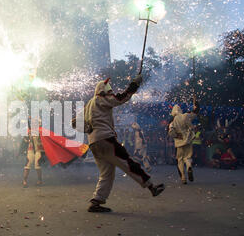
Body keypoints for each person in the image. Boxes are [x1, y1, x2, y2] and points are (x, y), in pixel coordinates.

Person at [84, 76, 165, 212]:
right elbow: (120, 98)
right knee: (128, 163)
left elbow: (75, 122)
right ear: (103, 90)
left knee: (106, 173)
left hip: (94, 143)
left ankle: (96, 201)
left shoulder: (89, 105)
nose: (111, 93)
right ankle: (151, 186)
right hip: (106, 140)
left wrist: (89, 128)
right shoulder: (101, 98)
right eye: (109, 91)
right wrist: (134, 85)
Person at [168, 98, 200, 184]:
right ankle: (189, 166)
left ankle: (183, 177)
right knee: (188, 157)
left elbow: (170, 132)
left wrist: (177, 135)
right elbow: (195, 112)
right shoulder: (186, 115)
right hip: (188, 140)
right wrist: (195, 103)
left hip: (179, 143)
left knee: (180, 159)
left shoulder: (173, 122)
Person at [22, 121, 44, 187]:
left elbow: (43, 141)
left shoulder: (40, 131)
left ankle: (40, 180)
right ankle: (24, 181)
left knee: (37, 165)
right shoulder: (28, 132)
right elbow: (25, 140)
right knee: (27, 165)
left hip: (38, 150)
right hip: (30, 150)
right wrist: (28, 137)